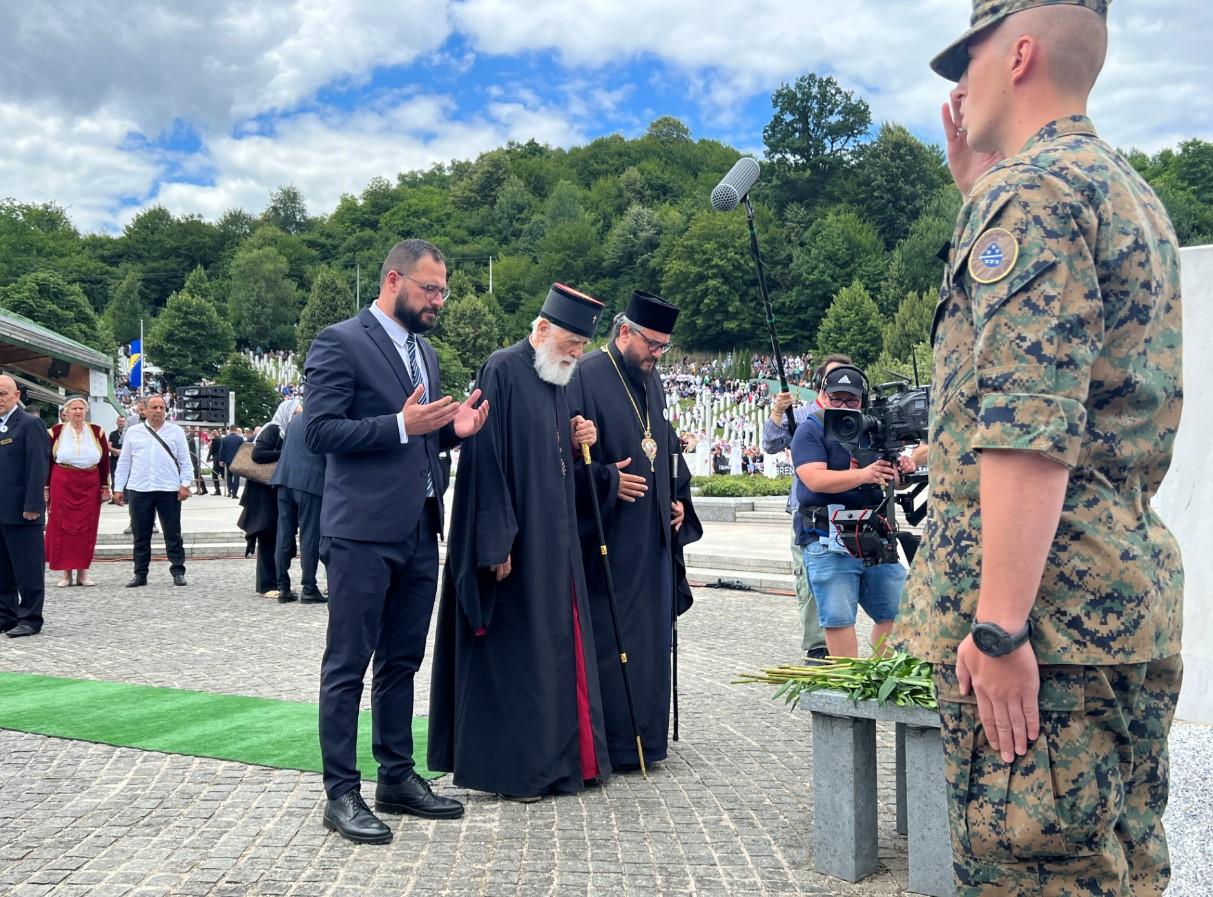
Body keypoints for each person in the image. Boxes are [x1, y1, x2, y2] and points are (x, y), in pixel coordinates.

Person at [895, 3, 1186, 894]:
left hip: (1046, 631)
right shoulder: (1123, 191)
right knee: (1118, 866)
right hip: (1115, 604)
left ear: (1017, 53)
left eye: (968, 57)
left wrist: (998, 625)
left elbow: (1027, 421)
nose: (957, 83)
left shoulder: (1030, 195)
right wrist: (977, 186)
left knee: (1036, 874)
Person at [304, 238, 488, 844]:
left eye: (444, 291)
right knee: (348, 664)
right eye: (429, 289)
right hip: (360, 530)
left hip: (418, 526)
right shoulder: (340, 342)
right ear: (393, 280)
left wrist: (451, 434)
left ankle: (396, 776)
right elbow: (321, 432)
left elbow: (420, 442)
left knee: (403, 660)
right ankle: (340, 792)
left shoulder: (425, 353)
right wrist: (400, 424)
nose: (439, 300)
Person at [429, 283, 612, 801]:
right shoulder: (502, 369)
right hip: (515, 542)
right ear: (541, 330)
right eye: (571, 343)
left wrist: (582, 443)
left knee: (556, 651)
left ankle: (564, 762)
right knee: (518, 656)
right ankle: (518, 769)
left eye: (581, 346)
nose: (577, 354)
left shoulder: (560, 378)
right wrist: (495, 542)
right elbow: (485, 459)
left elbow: (558, 458)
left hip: (556, 544)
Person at [567, 290, 702, 772]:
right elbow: (564, 458)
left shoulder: (653, 380)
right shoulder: (585, 375)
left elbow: (660, 443)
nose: (657, 355)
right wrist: (606, 480)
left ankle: (650, 736)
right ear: (624, 332)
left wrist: (678, 500)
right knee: (613, 635)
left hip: (652, 537)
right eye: (652, 344)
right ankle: (617, 743)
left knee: (650, 639)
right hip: (609, 537)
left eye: (664, 347)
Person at [792, 365, 909, 658]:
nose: (843, 406)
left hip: (873, 532)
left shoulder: (874, 429)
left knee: (899, 609)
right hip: (826, 535)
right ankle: (848, 684)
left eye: (851, 400)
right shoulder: (811, 428)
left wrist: (899, 472)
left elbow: (888, 476)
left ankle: (881, 676)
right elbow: (814, 479)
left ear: (863, 400)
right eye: (837, 398)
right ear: (824, 396)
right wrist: (865, 474)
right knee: (838, 618)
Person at [762, 355, 852, 662]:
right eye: (835, 379)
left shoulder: (857, 415)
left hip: (851, 510)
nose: (843, 386)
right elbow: (771, 444)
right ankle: (818, 646)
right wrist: (777, 412)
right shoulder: (802, 416)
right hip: (808, 513)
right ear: (821, 386)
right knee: (811, 579)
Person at [113, 394, 193, 587]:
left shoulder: (176, 432)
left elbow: (185, 460)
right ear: (145, 410)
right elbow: (124, 462)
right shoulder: (133, 432)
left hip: (168, 488)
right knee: (141, 534)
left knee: (173, 533)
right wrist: (118, 488)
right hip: (140, 488)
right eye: (154, 407)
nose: (158, 411)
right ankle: (140, 573)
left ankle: (178, 571)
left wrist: (186, 484)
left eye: (161, 408)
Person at [0, 375, 50, 637]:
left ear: (16, 396)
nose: (0, 399)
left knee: (28, 569)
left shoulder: (30, 424)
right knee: (2, 570)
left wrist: (33, 504)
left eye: (3, 394)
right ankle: (5, 616)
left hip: (22, 510)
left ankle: (30, 617)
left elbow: (38, 466)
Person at [45, 397, 111, 587]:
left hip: (89, 482)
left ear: (86, 410)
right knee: (62, 527)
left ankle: (83, 572)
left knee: (86, 527)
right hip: (63, 481)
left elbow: (104, 461)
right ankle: (66, 574)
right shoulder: (55, 432)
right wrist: (46, 487)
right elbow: (47, 461)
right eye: (74, 408)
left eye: (81, 408)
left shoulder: (97, 431)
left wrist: (105, 486)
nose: (78, 412)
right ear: (66, 411)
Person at [270, 401, 326, 604]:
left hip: (284, 480)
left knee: (284, 534)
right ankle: (309, 588)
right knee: (309, 536)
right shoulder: (324, 420)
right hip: (310, 482)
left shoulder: (295, 419)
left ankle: (283, 588)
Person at [237, 421, 284, 596]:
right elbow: (258, 455)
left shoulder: (283, 432)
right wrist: (285, 453)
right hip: (263, 492)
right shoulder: (273, 429)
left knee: (277, 537)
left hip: (273, 491)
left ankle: (277, 582)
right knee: (267, 534)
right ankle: (267, 585)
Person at [218, 425, 245, 498]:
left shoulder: (225, 439)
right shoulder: (240, 439)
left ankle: (230, 491)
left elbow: (222, 450)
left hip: (228, 460)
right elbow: (243, 450)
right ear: (236, 430)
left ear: (229, 430)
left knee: (229, 476)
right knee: (236, 477)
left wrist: (221, 460)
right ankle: (234, 494)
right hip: (237, 460)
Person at [108, 415, 126, 497]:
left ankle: (126, 497)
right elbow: (108, 446)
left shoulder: (128, 433)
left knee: (126, 478)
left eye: (122, 421)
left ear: (125, 422)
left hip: (125, 459)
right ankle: (115, 497)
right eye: (119, 421)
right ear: (116, 422)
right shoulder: (112, 434)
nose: (121, 423)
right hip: (114, 459)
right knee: (114, 477)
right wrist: (115, 451)